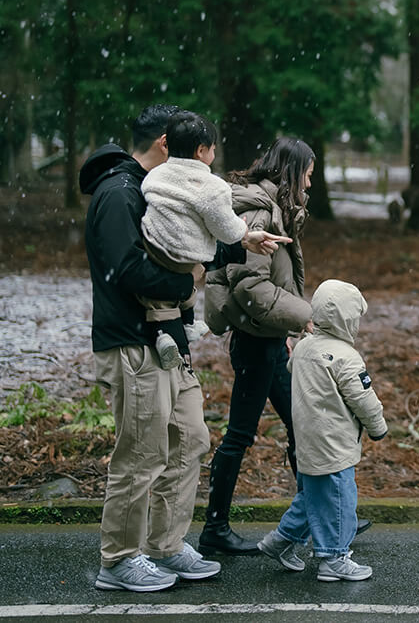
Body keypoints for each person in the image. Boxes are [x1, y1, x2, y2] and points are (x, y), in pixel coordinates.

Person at [80, 104, 285, 592]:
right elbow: (126, 270)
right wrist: (189, 282)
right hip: (133, 342)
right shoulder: (120, 192)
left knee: (190, 438)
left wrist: (241, 244)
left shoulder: (159, 193)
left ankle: (166, 546)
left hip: (167, 340)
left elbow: (186, 238)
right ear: (167, 145)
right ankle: (119, 559)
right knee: (142, 452)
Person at [201, 137, 370, 553]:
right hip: (256, 342)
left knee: (301, 429)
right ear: (292, 172)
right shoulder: (261, 210)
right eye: (308, 175)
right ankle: (215, 529)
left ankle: (320, 518)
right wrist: (304, 315)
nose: (310, 185)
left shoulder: (275, 207)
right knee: (242, 434)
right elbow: (250, 285)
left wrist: (289, 331)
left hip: (270, 339)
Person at [257, 279, 387, 581]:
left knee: (314, 497)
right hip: (334, 443)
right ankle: (334, 557)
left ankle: (281, 540)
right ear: (348, 319)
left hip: (307, 439)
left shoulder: (303, 348)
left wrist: (308, 339)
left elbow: (291, 369)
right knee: (340, 499)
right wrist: (377, 427)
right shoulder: (346, 358)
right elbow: (363, 399)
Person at [138, 111, 251, 369]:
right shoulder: (213, 187)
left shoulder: (155, 174)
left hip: (153, 246)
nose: (214, 154)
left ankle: (167, 332)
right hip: (184, 258)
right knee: (191, 283)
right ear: (201, 151)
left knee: (157, 300)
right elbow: (226, 230)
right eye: (212, 148)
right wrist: (242, 230)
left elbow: (148, 194)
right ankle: (179, 330)